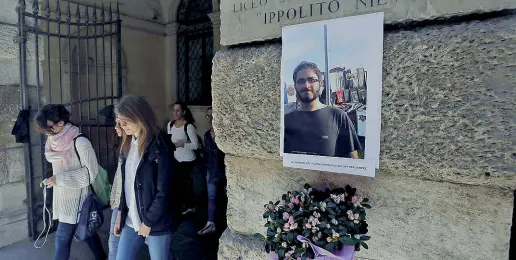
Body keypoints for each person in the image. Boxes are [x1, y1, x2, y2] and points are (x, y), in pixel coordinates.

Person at [36, 104, 106, 260]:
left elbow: (90, 174)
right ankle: (102, 257)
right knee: (87, 234)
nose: (46, 132)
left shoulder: (80, 142)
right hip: (62, 198)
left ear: (61, 122)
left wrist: (59, 179)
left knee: (62, 240)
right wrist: (53, 179)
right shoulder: (52, 142)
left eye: (48, 128)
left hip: (78, 201)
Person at [113, 95, 175, 260]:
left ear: (139, 118)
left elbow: (164, 190)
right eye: (119, 121)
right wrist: (120, 213)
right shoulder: (128, 144)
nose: (121, 126)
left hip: (156, 223)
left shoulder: (160, 145)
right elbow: (127, 184)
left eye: (125, 122)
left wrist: (148, 222)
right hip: (131, 219)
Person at [284, 61, 362, 158]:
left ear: (320, 83)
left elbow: (353, 161)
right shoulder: (286, 121)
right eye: (301, 81)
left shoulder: (338, 117)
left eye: (311, 80)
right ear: (295, 86)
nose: (306, 85)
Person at [198, 107, 228, 259]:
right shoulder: (206, 135)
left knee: (225, 198)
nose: (209, 118)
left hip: (225, 170)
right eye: (208, 116)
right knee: (211, 197)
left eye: (212, 115)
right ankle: (211, 223)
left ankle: (227, 224)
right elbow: (208, 154)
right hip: (212, 170)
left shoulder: (224, 133)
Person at [167, 102, 200, 215]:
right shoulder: (170, 125)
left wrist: (182, 145)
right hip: (176, 159)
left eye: (178, 110)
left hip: (187, 160)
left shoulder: (188, 126)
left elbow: (196, 145)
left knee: (183, 183)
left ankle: (189, 206)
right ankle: (184, 205)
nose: (175, 113)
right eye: (174, 110)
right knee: (178, 183)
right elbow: (169, 141)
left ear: (183, 112)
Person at [108, 121, 123, 260]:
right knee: (114, 245)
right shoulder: (122, 145)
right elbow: (119, 177)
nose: (116, 127)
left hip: (129, 203)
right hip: (120, 202)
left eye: (121, 123)